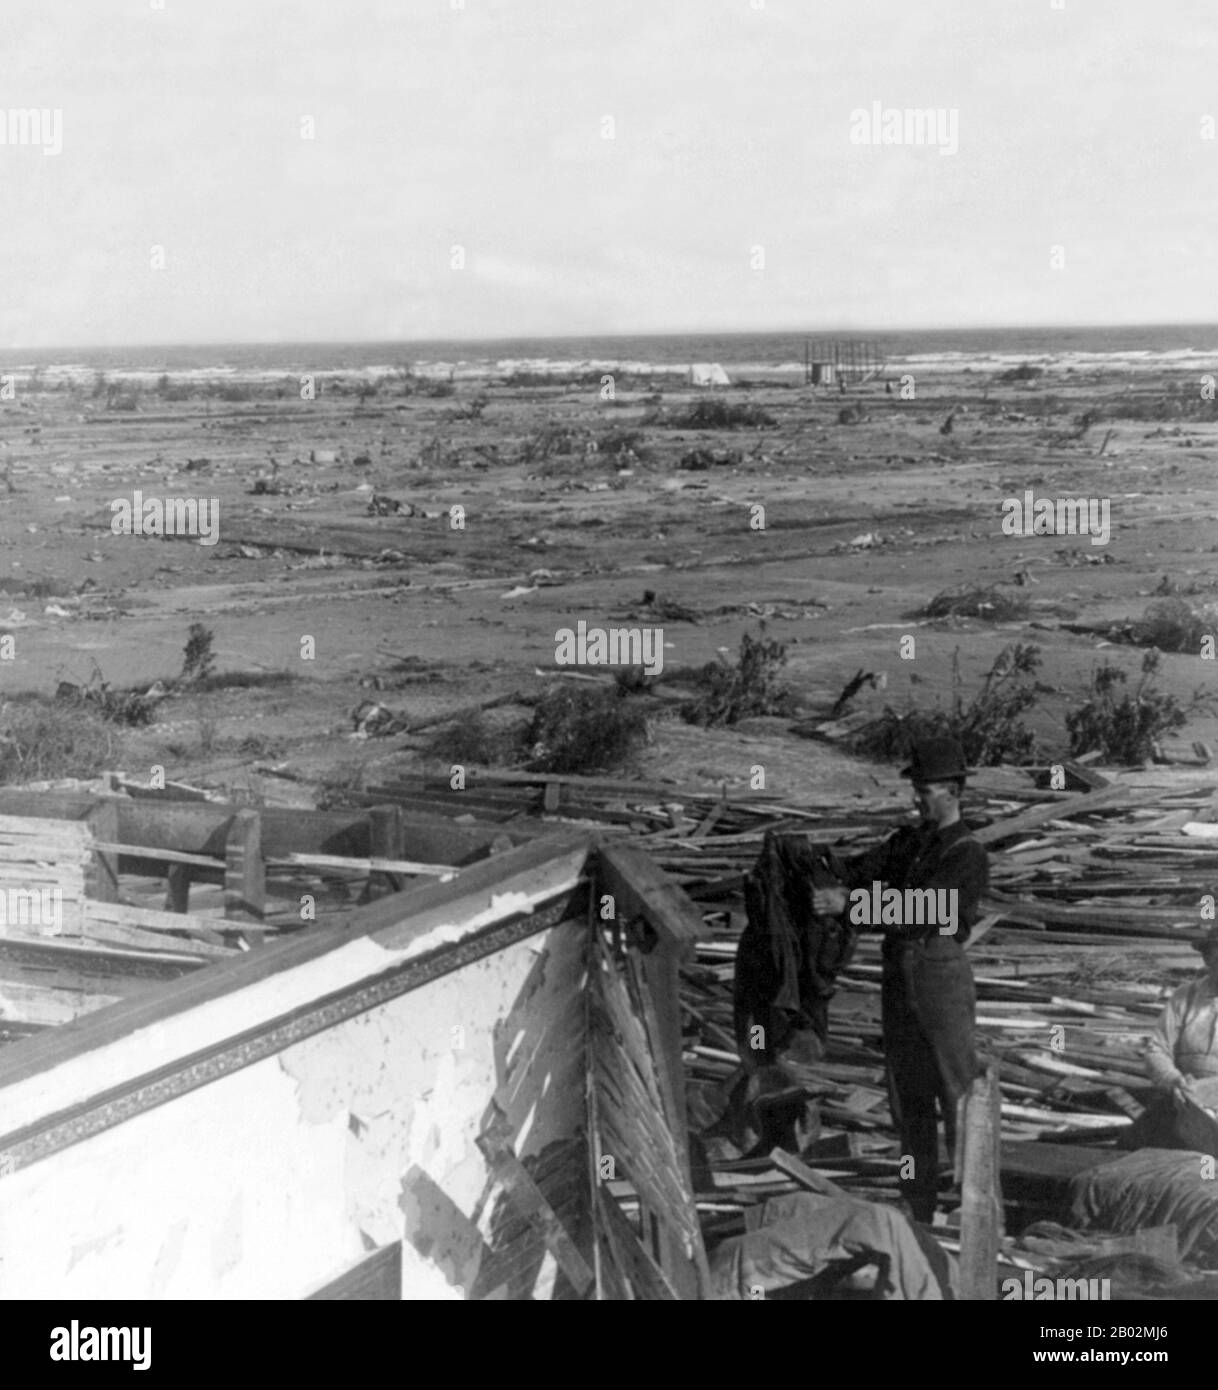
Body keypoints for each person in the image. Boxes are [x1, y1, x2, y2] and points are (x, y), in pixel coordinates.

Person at [812, 737, 989, 1223]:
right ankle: (918, 1204)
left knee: (957, 1093)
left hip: (938, 973)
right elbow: (861, 869)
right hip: (900, 974)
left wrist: (851, 905)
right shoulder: (909, 844)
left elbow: (929, 910)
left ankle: (974, 1207)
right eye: (915, 788)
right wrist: (814, 861)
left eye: (925, 789)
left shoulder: (967, 854)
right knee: (907, 1097)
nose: (916, 798)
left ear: (953, 791)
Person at [1130, 924, 1218, 1154]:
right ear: (1208, 959)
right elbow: (1157, 1049)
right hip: (1181, 1103)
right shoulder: (1186, 997)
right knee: (1131, 1153)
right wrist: (1174, 1080)